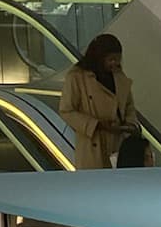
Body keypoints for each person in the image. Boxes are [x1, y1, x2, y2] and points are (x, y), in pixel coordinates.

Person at [59, 32, 138, 170]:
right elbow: (66, 111)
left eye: (118, 59)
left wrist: (130, 124)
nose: (115, 63)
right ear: (99, 58)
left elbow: (128, 105)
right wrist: (95, 125)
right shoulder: (77, 77)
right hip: (92, 144)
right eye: (111, 59)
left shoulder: (119, 76)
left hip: (118, 144)